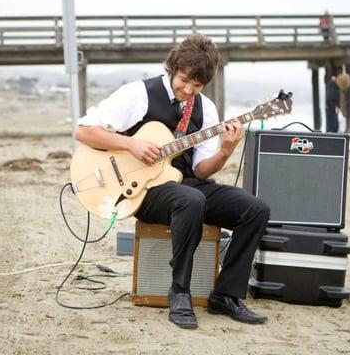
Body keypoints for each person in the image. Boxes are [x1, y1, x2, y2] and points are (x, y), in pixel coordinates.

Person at [75, 34, 270, 329]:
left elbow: (202, 171)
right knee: (191, 200)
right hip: (145, 190)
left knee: (255, 209)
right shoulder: (139, 93)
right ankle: (179, 292)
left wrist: (227, 150)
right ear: (172, 68)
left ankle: (226, 295)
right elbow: (84, 131)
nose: (188, 90)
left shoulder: (205, 109)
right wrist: (131, 146)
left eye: (197, 86)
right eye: (184, 80)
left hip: (187, 183)